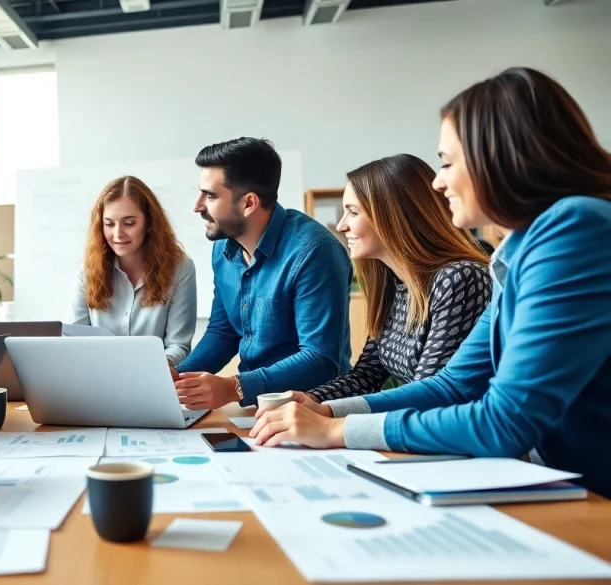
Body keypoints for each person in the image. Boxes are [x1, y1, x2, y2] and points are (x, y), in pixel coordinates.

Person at [250, 67, 611, 499]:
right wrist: (328, 411)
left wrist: (338, 429)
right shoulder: (517, 250)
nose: (439, 183)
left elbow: (505, 421)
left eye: (447, 163)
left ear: (499, 157)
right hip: (561, 485)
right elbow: (452, 384)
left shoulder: (574, 229)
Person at [173, 137, 353, 411]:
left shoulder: (316, 251)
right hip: (257, 409)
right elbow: (224, 332)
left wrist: (235, 387)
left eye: (210, 195)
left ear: (249, 203)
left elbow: (320, 358)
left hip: (314, 408)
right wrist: (177, 378)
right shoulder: (223, 247)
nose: (198, 206)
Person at [302, 154, 492, 403]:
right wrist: (310, 400)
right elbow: (367, 375)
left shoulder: (459, 279)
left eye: (353, 212)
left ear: (392, 216)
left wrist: (328, 416)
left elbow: (428, 395)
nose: (341, 225)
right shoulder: (392, 284)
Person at [66, 175, 197, 365]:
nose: (118, 234)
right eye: (109, 224)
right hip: (97, 380)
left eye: (129, 223)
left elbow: (178, 347)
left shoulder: (180, 268)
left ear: (150, 223)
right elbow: (72, 338)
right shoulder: (88, 269)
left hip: (153, 380)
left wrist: (143, 370)